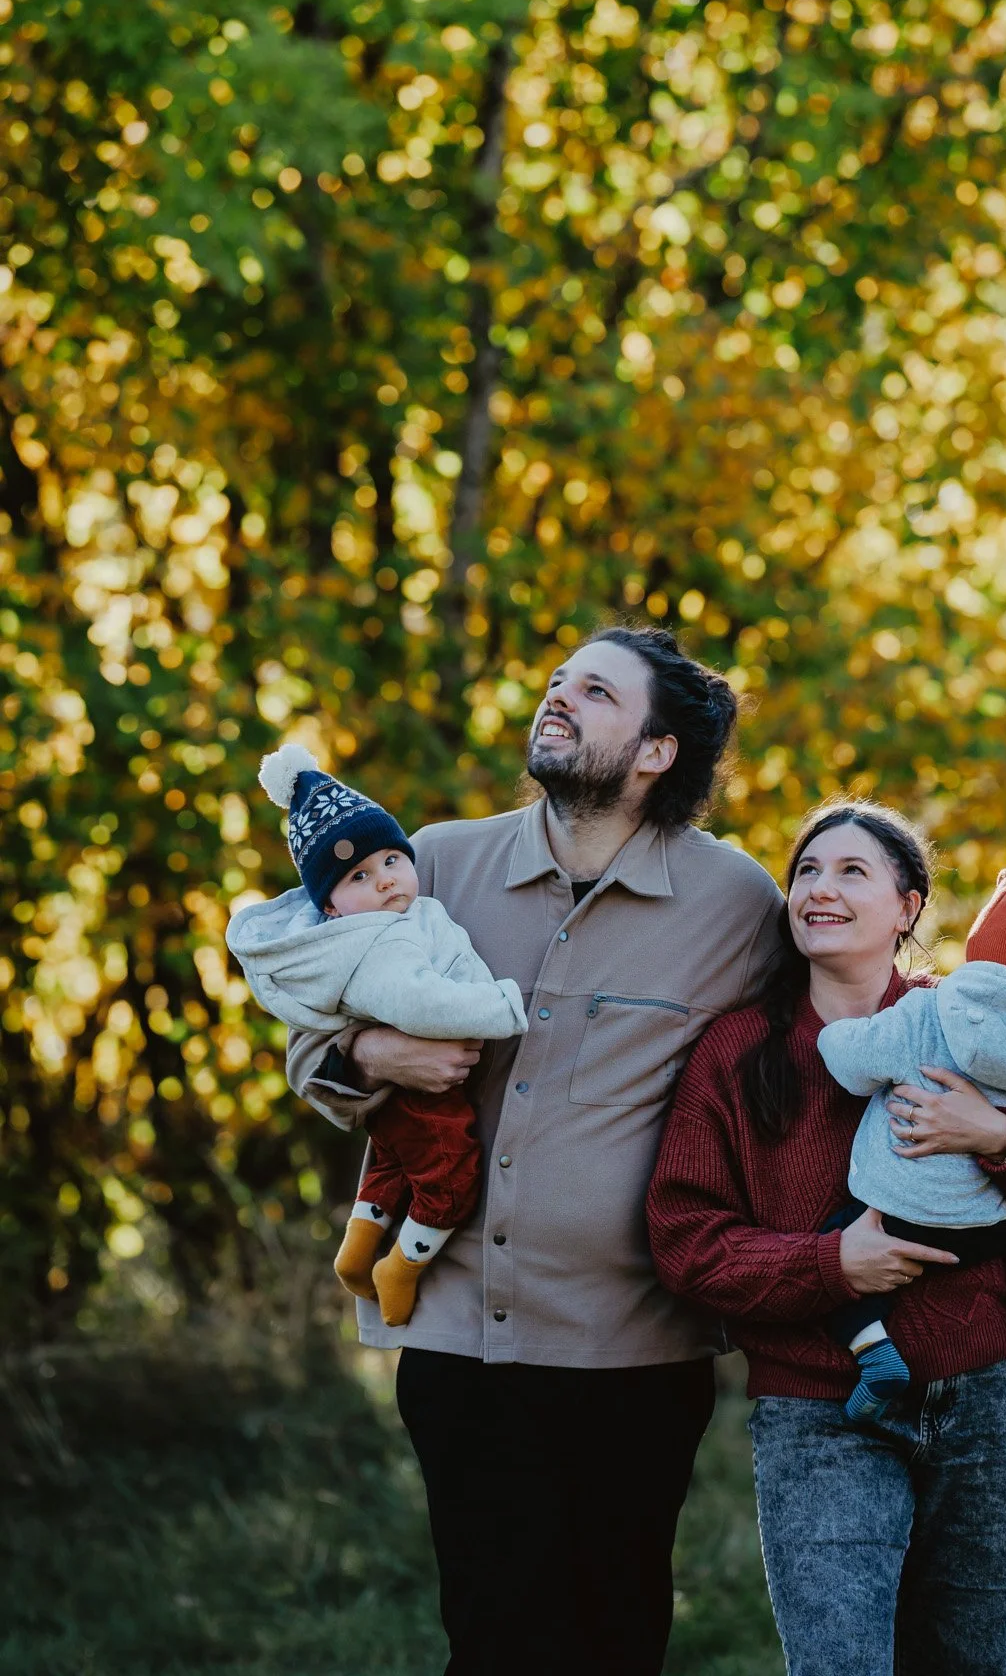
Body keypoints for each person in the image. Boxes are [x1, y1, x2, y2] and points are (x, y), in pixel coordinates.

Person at [284, 625, 784, 1676]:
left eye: (595, 691)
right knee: (497, 1633)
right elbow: (308, 1029)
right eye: (557, 680)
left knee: (615, 1635)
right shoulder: (435, 862)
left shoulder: (738, 903)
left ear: (656, 751)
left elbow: (828, 1031)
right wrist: (377, 1047)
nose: (557, 697)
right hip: (462, 1340)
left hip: (638, 1351)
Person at [646, 800, 1006, 1676]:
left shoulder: (971, 1021)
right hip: (821, 1411)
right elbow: (685, 1239)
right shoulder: (737, 1052)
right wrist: (832, 1262)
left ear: (907, 906)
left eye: (850, 871)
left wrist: (997, 1138)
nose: (819, 888)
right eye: (806, 872)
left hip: (992, 1398)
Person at [227, 744, 527, 1327]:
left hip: (395, 1107)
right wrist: (501, 1009)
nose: (386, 882)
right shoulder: (373, 942)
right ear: (332, 907)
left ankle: (357, 1250)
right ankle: (400, 1267)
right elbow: (422, 1003)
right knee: (450, 1177)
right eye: (359, 877)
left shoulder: (407, 914)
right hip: (419, 1096)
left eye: (392, 860)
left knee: (390, 1171)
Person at [817, 864, 1006, 1421]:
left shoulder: (928, 1012)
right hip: (991, 1225)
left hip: (900, 1214)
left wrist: (831, 1036)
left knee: (836, 1245)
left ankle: (875, 1353)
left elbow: (855, 1065)